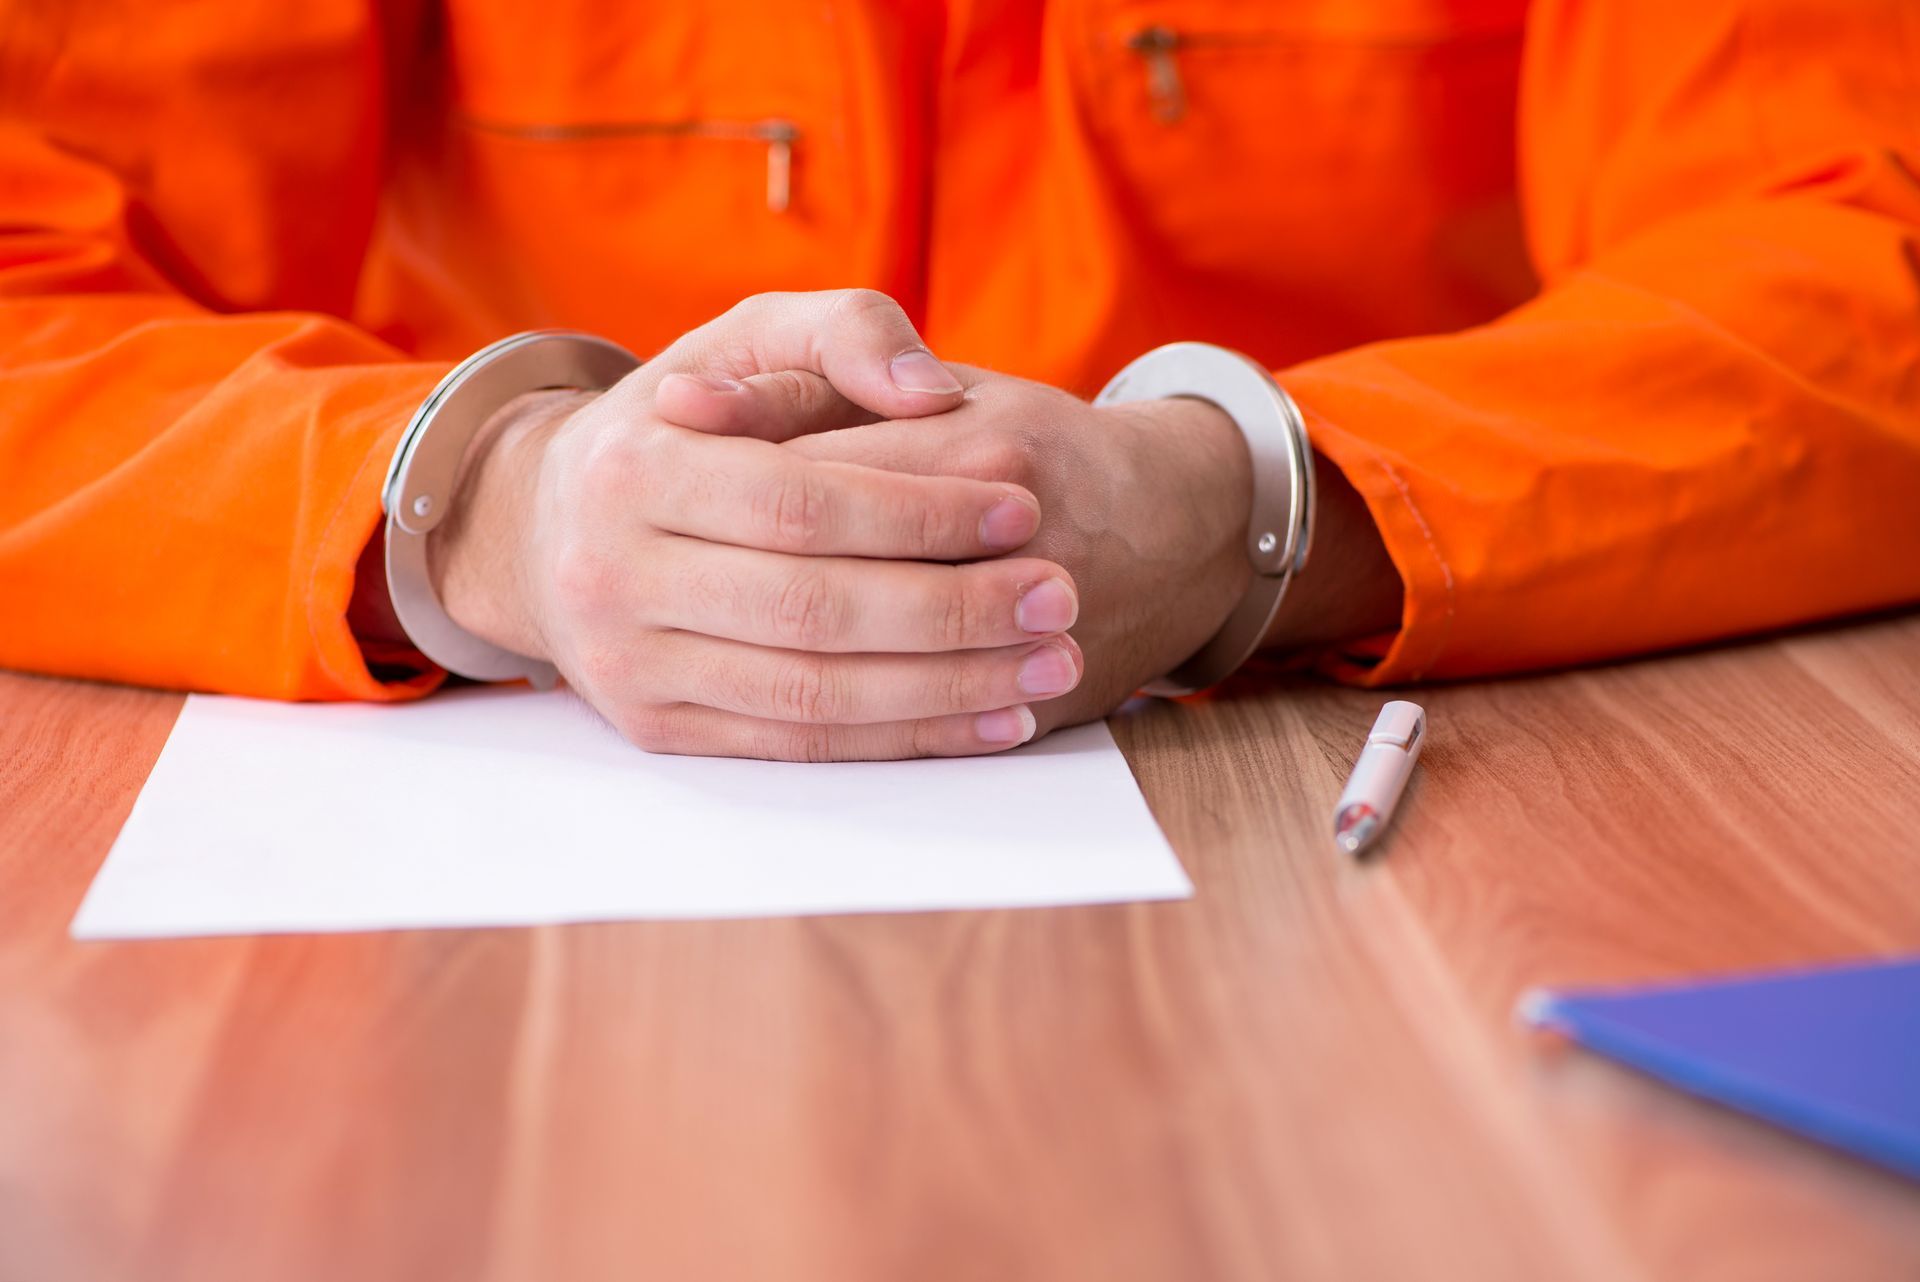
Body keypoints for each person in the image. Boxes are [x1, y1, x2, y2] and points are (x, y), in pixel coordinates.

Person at [3, 1, 1916, 761]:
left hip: (1353, 809)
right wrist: (487, 503)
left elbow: (1862, 254)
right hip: (534, 926)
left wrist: (1264, 503)